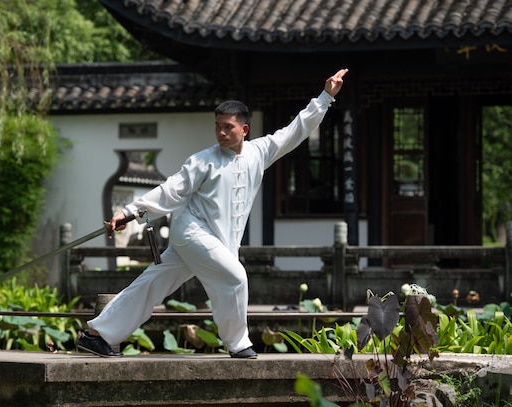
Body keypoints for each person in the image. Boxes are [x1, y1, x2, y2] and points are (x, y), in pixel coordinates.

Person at [77, 69, 349, 359]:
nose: (221, 132)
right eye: (217, 126)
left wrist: (325, 96)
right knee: (236, 277)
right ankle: (238, 343)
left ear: (244, 129)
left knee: (153, 283)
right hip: (190, 231)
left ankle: (96, 335)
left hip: (216, 240)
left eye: (228, 127)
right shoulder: (203, 161)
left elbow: (298, 128)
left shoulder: (261, 151)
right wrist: (130, 212)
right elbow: (171, 190)